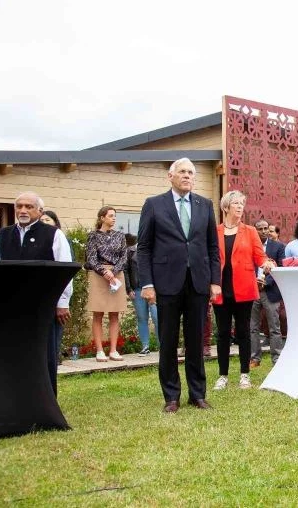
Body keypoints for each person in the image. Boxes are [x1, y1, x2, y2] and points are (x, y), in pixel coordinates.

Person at [137, 157, 221, 413]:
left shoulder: (205, 205)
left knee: (196, 340)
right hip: (166, 283)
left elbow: (212, 247)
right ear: (170, 176)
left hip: (197, 283)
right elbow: (144, 248)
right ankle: (171, 396)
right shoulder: (154, 205)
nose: (187, 176)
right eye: (182, 172)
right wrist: (147, 283)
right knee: (169, 340)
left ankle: (198, 394)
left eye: (191, 172)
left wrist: (215, 281)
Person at [0, 192, 72, 397]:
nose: (23, 210)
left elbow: (66, 271)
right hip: (11, 306)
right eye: (19, 206)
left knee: (45, 356)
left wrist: (62, 303)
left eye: (29, 206)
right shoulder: (2, 236)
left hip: (44, 307)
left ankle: (46, 399)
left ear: (39, 210)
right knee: (13, 353)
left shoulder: (54, 235)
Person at [212, 191, 275, 391]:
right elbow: (210, 259)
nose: (240, 207)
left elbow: (260, 256)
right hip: (220, 289)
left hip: (244, 288)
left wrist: (266, 262)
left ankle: (244, 375)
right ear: (226, 207)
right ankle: (222, 375)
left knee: (244, 332)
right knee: (222, 334)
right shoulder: (215, 231)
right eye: (236, 203)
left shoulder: (249, 231)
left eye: (242, 203)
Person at [86, 206, 128, 362]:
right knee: (98, 313)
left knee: (114, 313)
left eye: (115, 216)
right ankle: (99, 350)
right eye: (111, 215)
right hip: (99, 275)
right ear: (102, 218)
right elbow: (91, 258)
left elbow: (124, 257)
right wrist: (104, 272)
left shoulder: (120, 236)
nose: (114, 218)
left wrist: (114, 271)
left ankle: (113, 350)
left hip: (116, 275)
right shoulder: (93, 236)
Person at [40, 211, 73, 372]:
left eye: (48, 219)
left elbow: (67, 272)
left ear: (55, 223)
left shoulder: (60, 240)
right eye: (42, 220)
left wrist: (63, 301)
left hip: (56, 297)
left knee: (52, 342)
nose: (44, 222)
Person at [250, 219, 285, 367]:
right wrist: (254, 283)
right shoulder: (250, 246)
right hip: (252, 291)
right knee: (253, 327)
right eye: (260, 229)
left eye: (266, 228)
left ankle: (277, 359)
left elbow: (280, 267)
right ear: (255, 230)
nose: (264, 231)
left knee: (274, 327)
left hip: (270, 291)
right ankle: (255, 359)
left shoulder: (277, 247)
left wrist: (266, 283)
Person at [124, 233, 159, 356]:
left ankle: (163, 346)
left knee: (157, 317)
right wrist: (128, 289)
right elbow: (126, 270)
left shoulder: (156, 250)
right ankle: (145, 346)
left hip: (154, 290)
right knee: (142, 318)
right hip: (137, 289)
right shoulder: (130, 251)